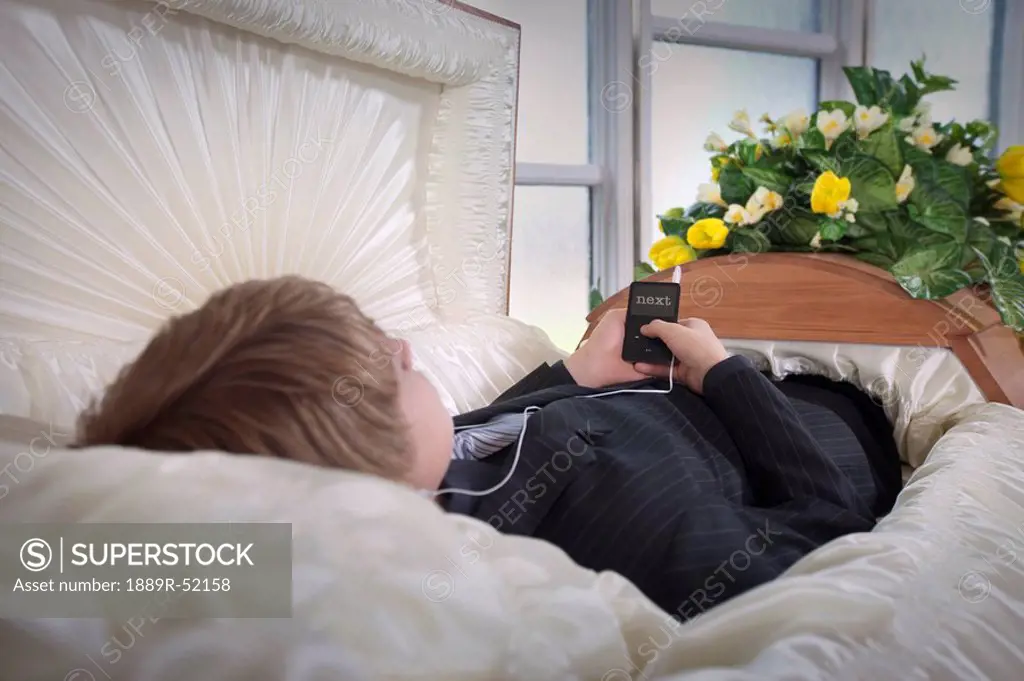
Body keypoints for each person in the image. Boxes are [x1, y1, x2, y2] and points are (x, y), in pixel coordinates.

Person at [76, 275, 902, 620]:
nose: (406, 348)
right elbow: (830, 531)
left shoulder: (408, 468)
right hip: (820, 420)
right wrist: (726, 375)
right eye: (395, 368)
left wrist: (576, 374)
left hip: (646, 393)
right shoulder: (638, 527)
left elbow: (473, 447)